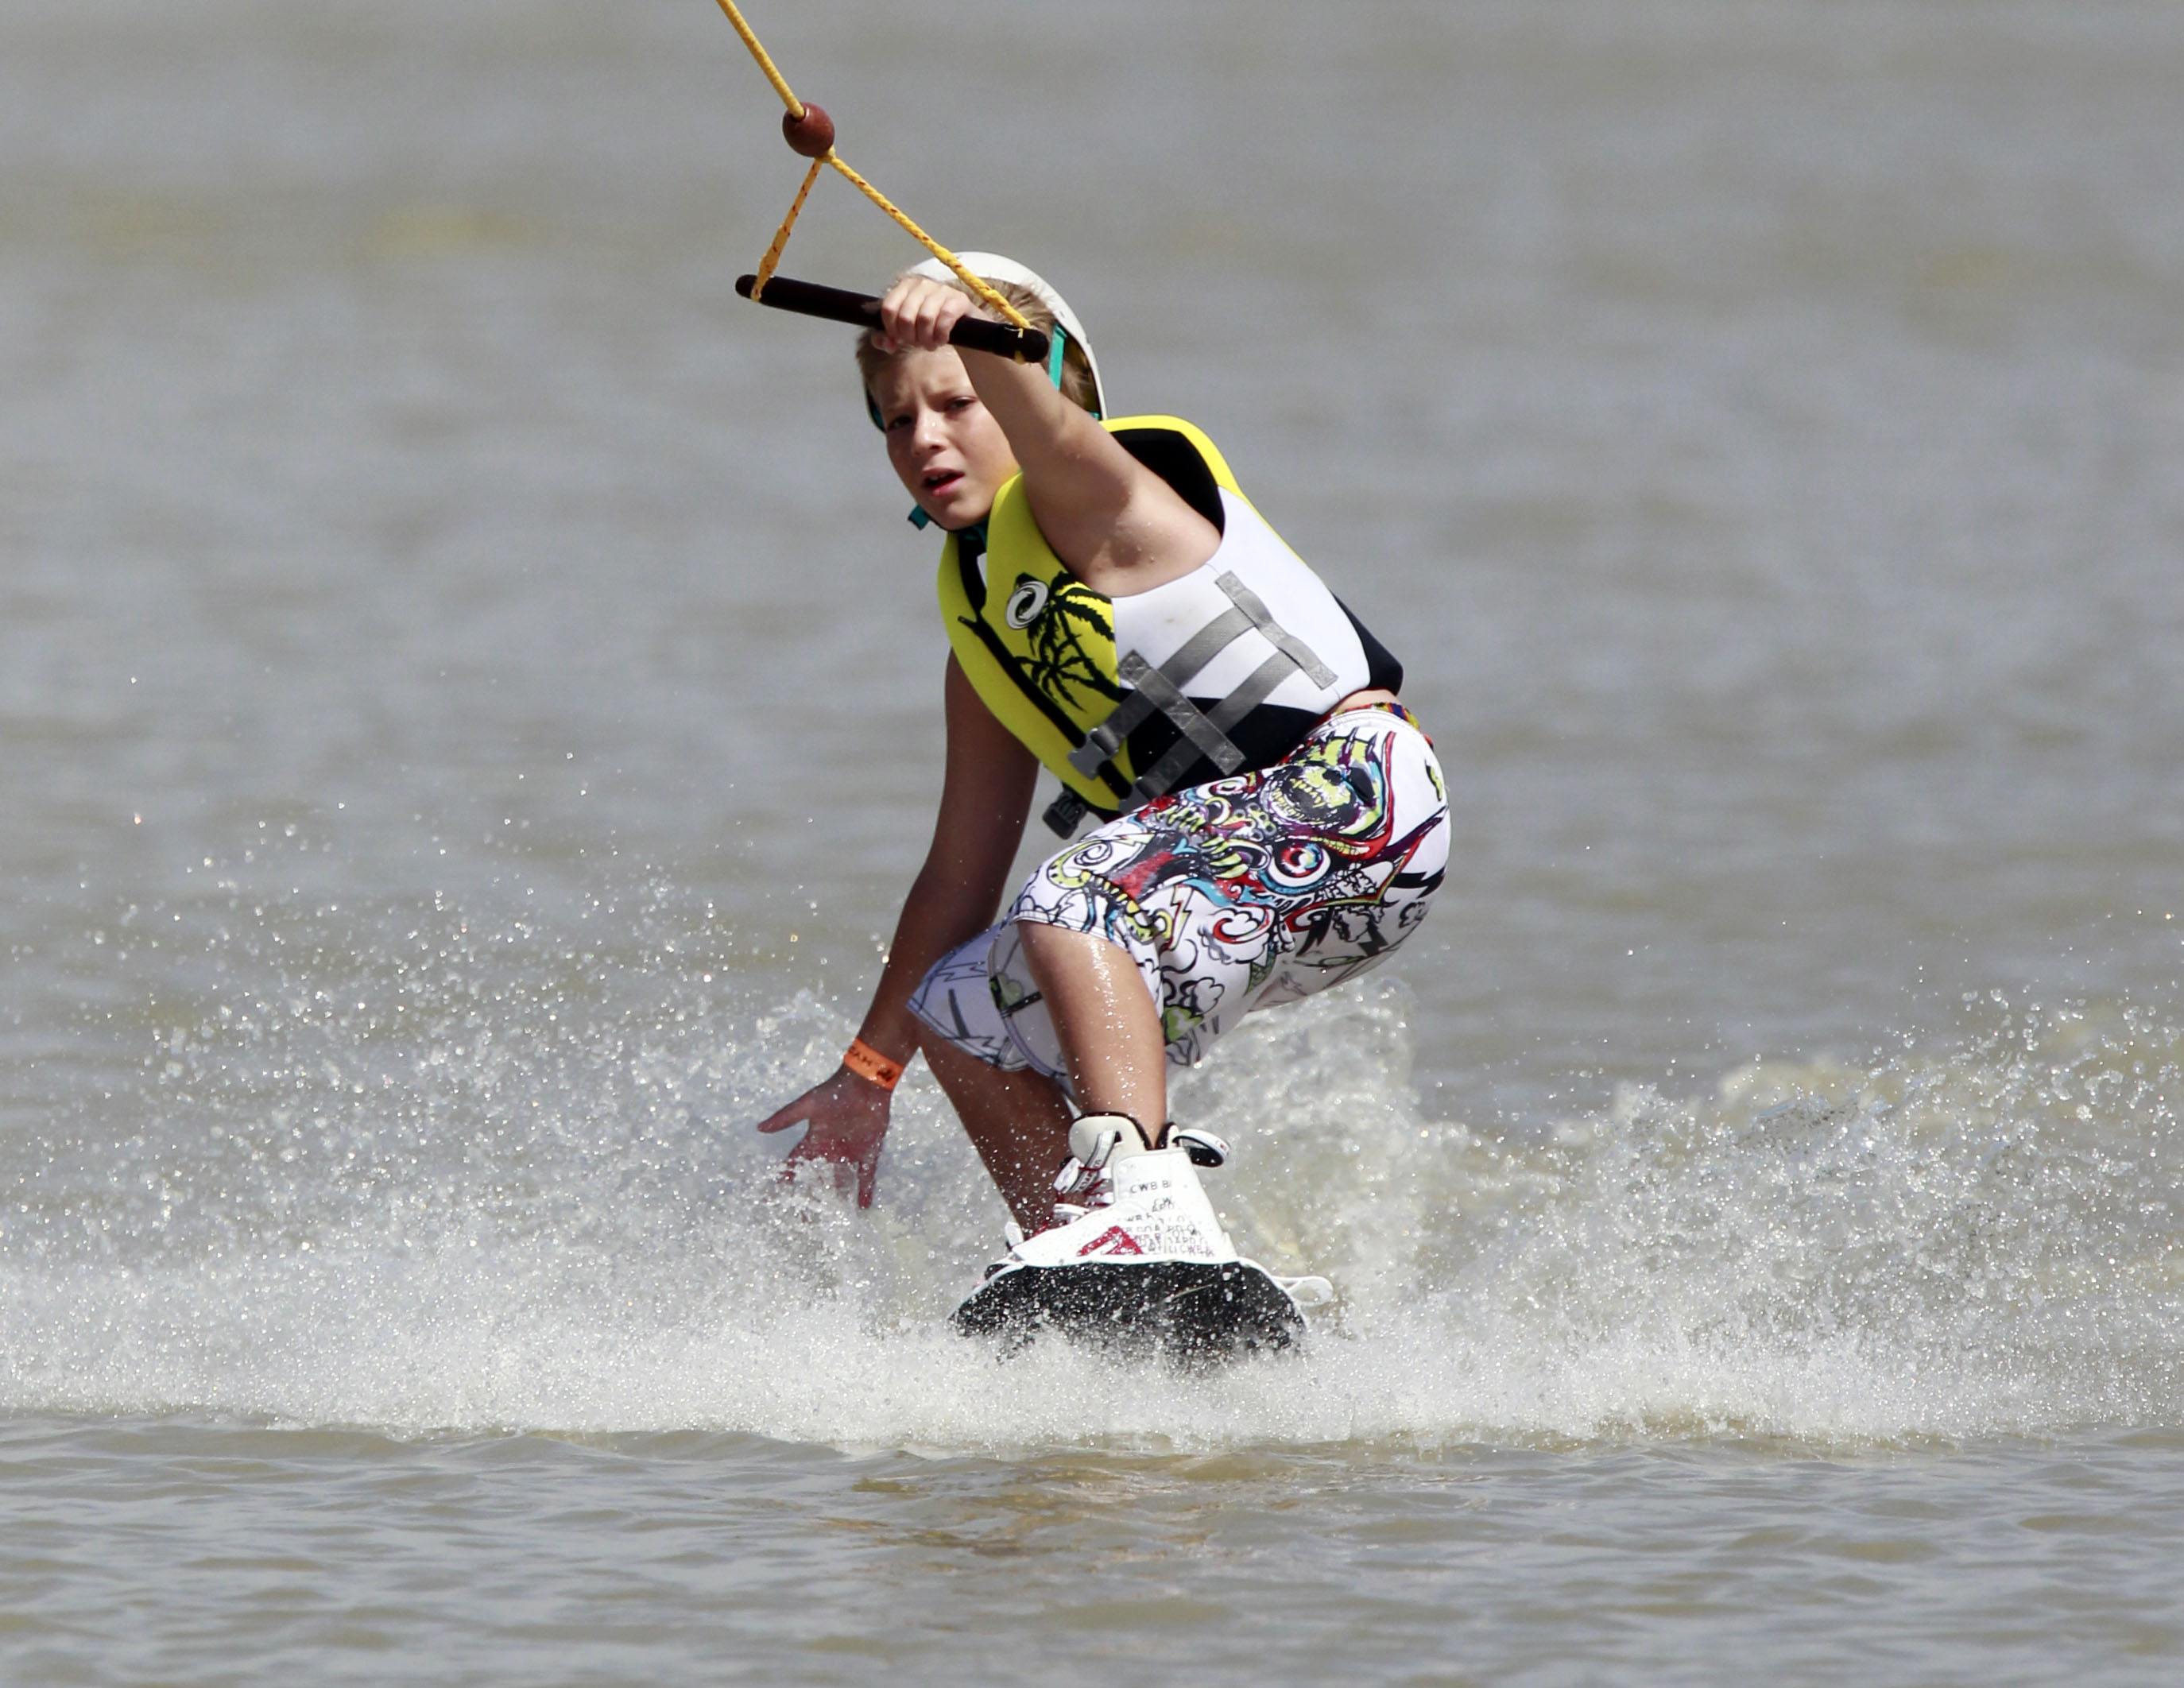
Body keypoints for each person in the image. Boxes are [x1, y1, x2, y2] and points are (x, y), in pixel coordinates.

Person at [755, 254, 1449, 1240]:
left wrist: (968, 325)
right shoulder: (989, 645)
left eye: (956, 402)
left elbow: (1046, 418)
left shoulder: (1104, 499)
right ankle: (1097, 1262)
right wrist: (867, 1077)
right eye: (899, 419)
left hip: (1360, 801)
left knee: (1073, 899)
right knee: (961, 1010)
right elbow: (959, 875)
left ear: (1040, 387)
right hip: (1250, 889)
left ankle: (1145, 1198)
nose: (924, 439)